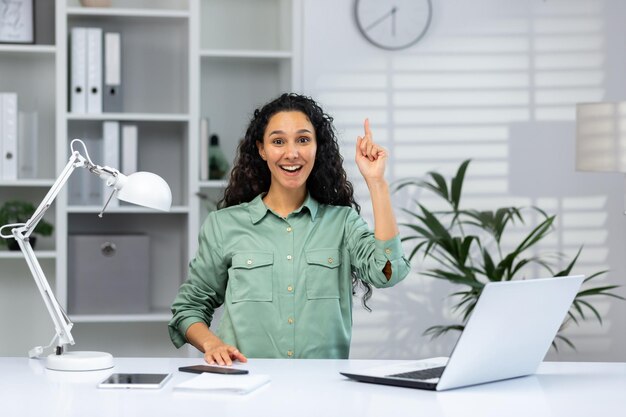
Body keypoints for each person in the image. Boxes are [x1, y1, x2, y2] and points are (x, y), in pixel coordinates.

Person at [168, 93, 410, 365]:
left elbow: (388, 272)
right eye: (278, 141)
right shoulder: (224, 225)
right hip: (245, 391)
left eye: (303, 139)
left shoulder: (343, 224)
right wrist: (212, 344)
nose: (291, 153)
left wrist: (377, 182)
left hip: (322, 393)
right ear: (262, 149)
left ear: (318, 147)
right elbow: (188, 309)